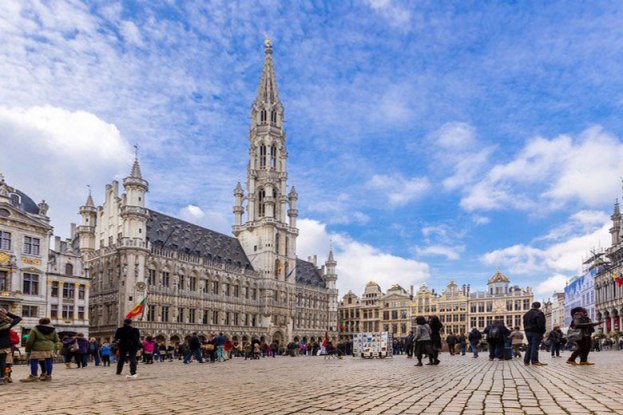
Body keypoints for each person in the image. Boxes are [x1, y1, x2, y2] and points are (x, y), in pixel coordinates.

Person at [20, 318, 60, 382]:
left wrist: (28, 350)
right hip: (49, 348)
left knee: (34, 361)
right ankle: (48, 376)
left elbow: (29, 341)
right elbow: (56, 340)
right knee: (49, 361)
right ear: (49, 322)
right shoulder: (53, 330)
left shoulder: (35, 329)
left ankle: (34, 376)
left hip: (37, 348)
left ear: (39, 322)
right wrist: (56, 348)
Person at [0, 308, 22, 385]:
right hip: (4, 345)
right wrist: (8, 313)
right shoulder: (6, 323)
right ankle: (2, 378)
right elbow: (18, 318)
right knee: (2, 362)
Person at [523, 302, 547, 366]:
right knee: (535, 346)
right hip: (536, 331)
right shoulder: (539, 313)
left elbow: (524, 324)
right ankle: (534, 361)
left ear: (532, 306)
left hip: (527, 331)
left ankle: (526, 361)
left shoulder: (526, 314)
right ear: (539, 306)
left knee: (530, 345)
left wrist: (526, 330)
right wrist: (542, 331)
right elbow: (541, 324)